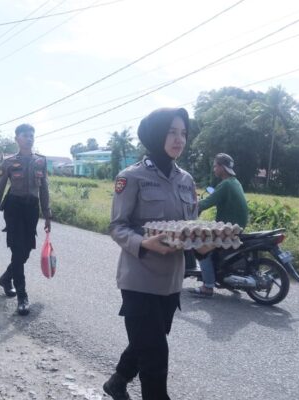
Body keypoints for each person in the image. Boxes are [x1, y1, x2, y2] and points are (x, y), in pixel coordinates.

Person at [104, 108, 206, 400]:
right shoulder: (131, 177)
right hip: (139, 280)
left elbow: (189, 228)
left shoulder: (186, 180)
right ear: (155, 134)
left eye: (183, 133)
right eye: (172, 132)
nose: (179, 139)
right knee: (156, 359)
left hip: (171, 282)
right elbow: (117, 227)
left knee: (146, 343)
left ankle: (117, 381)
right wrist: (143, 243)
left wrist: (202, 244)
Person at [0, 123, 52, 316]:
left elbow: (44, 189)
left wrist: (47, 214)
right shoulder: (8, 162)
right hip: (14, 208)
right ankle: (22, 297)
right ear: (17, 138)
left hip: (32, 208)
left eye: (31, 135)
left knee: (26, 250)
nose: (29, 138)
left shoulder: (41, 161)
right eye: (25, 135)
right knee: (17, 250)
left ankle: (6, 278)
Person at [188, 153, 249, 297]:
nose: (214, 169)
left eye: (215, 166)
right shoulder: (235, 181)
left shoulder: (225, 184)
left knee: (201, 247)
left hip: (228, 228)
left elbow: (207, 202)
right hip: (235, 225)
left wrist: (191, 208)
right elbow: (216, 196)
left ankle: (208, 287)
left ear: (222, 167)